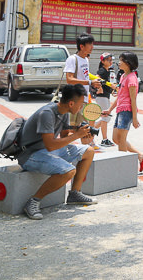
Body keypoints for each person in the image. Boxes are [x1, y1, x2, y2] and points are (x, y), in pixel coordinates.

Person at [18, 84, 97, 220]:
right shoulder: (47, 113)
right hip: (31, 155)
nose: (81, 108)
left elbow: (64, 139)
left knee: (88, 151)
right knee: (69, 171)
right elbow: (50, 145)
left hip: (47, 151)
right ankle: (33, 202)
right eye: (80, 104)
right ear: (71, 103)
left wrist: (81, 135)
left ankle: (74, 193)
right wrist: (76, 136)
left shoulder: (65, 112)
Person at [113, 52, 143, 173]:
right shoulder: (123, 76)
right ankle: (140, 156)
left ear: (128, 63)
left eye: (121, 60)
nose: (119, 62)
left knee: (121, 140)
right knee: (115, 139)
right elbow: (119, 96)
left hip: (126, 112)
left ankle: (122, 169)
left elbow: (133, 99)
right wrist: (109, 110)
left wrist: (135, 118)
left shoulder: (132, 78)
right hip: (120, 111)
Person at [93, 53, 117, 147]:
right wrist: (99, 88)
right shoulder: (102, 70)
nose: (110, 62)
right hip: (101, 96)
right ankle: (104, 139)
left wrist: (112, 91)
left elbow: (106, 84)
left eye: (111, 60)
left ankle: (92, 127)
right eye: (108, 60)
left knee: (106, 117)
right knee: (105, 117)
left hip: (105, 96)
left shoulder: (107, 71)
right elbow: (97, 78)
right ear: (102, 61)